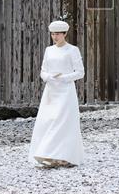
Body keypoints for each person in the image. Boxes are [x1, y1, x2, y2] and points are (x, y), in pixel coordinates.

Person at [29, 20, 85, 168]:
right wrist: (48, 77)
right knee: (48, 120)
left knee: (62, 121)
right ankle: (49, 154)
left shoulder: (72, 50)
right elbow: (43, 70)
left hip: (66, 91)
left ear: (65, 34)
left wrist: (64, 78)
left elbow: (80, 72)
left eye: (58, 34)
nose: (55, 37)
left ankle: (60, 155)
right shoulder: (49, 50)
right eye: (53, 34)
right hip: (51, 90)